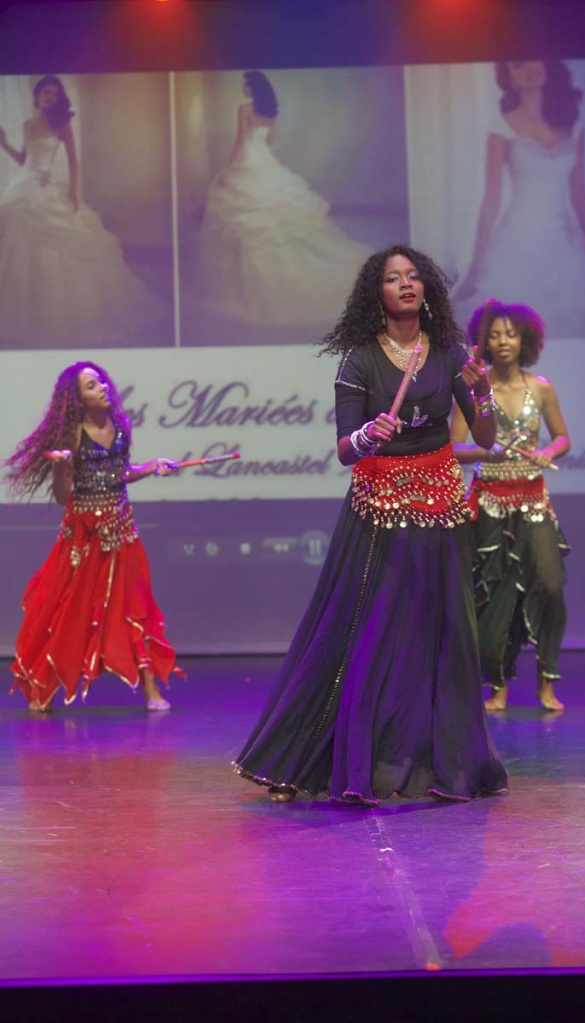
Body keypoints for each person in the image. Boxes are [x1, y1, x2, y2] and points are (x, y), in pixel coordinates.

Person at [234, 245, 508, 804]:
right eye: (392, 278)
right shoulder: (359, 360)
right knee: (365, 632)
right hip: (379, 511)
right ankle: (314, 760)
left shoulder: (450, 353)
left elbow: (484, 438)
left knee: (444, 633)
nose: (406, 284)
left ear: (426, 288)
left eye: (413, 276)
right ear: (375, 294)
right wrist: (367, 436)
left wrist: (482, 393)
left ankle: (440, 763)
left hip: (439, 509)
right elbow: (344, 449)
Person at [4, 361, 183, 711]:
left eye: (100, 381)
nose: (101, 387)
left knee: (136, 607)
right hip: (83, 538)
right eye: (91, 385)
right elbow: (62, 496)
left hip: (122, 532)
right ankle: (42, 687)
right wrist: (59, 468)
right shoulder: (71, 437)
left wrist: (151, 467)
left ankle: (151, 692)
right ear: (78, 399)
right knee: (69, 610)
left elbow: (120, 473)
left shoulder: (120, 427)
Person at [452, 60, 585, 337]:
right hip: (517, 238)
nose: (528, 69)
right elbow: (491, 200)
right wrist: (474, 270)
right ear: (509, 79)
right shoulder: (501, 126)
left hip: (563, 237)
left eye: (534, 58)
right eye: (517, 66)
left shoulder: (573, 123)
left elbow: (579, 194)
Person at [451, 300, 571, 712]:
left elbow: (562, 438)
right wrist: (486, 451)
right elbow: (454, 447)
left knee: (550, 585)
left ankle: (546, 682)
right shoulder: (472, 390)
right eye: (495, 334)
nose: (503, 341)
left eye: (511, 334)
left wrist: (547, 451)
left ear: (525, 339)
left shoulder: (541, 387)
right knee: (493, 595)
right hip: (488, 504)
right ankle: (497, 686)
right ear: (482, 342)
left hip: (534, 501)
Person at [0, 75, 165, 347]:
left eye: (55, 94)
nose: (50, 98)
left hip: (46, 187)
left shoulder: (61, 123)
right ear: (37, 95)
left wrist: (73, 193)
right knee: (16, 240)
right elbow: (24, 160)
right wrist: (4, 143)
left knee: (61, 242)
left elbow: (73, 161)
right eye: (46, 92)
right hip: (23, 186)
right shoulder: (28, 124)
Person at [198, 70, 368, 326]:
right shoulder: (272, 113)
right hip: (263, 160)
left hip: (247, 160)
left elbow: (240, 142)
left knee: (246, 217)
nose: (243, 88)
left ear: (253, 87)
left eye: (246, 84)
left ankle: (256, 280)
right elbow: (270, 141)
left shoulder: (244, 109)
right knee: (273, 216)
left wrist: (226, 169)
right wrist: (256, 150)